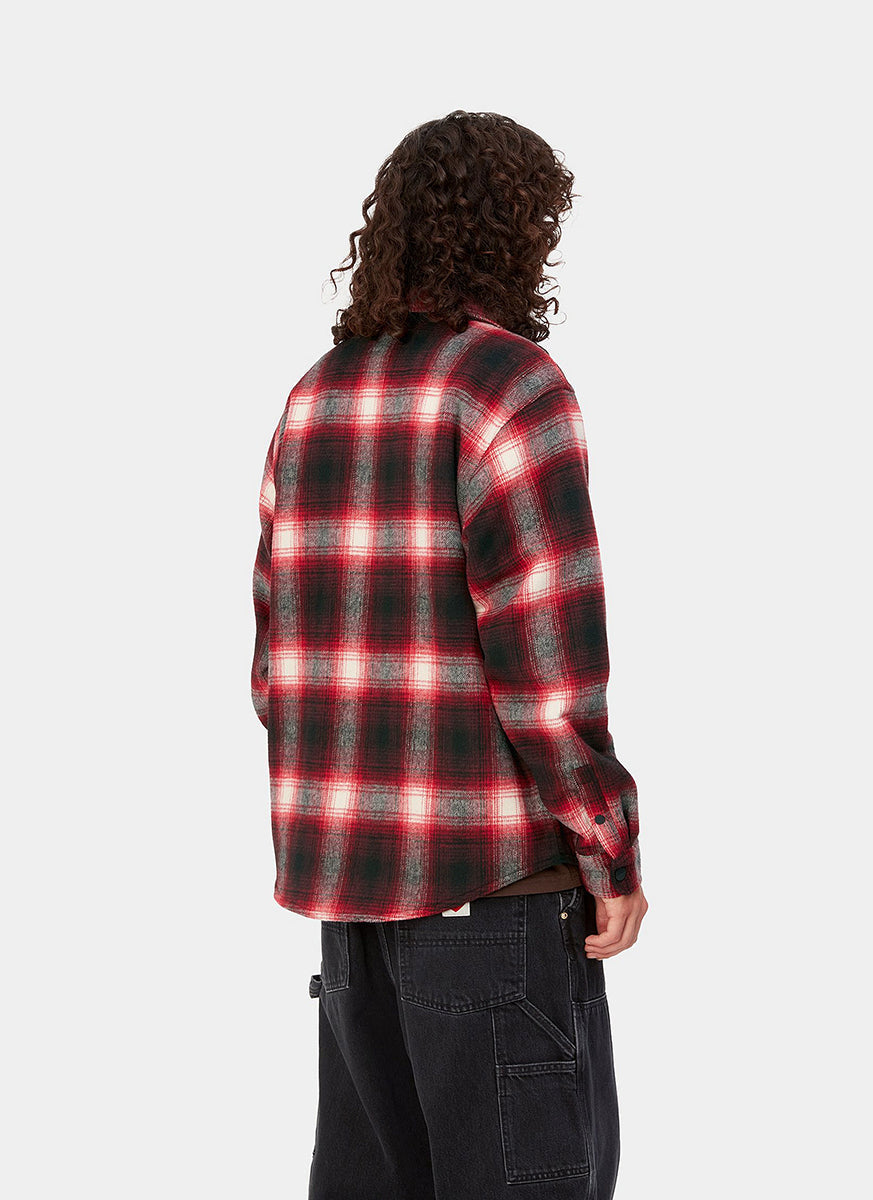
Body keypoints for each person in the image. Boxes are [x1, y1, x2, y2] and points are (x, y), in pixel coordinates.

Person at [251, 109, 647, 1200]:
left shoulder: (315, 396)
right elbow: (548, 665)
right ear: (517, 234)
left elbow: (277, 664)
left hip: (349, 907)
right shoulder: (510, 386)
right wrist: (609, 850)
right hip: (493, 898)